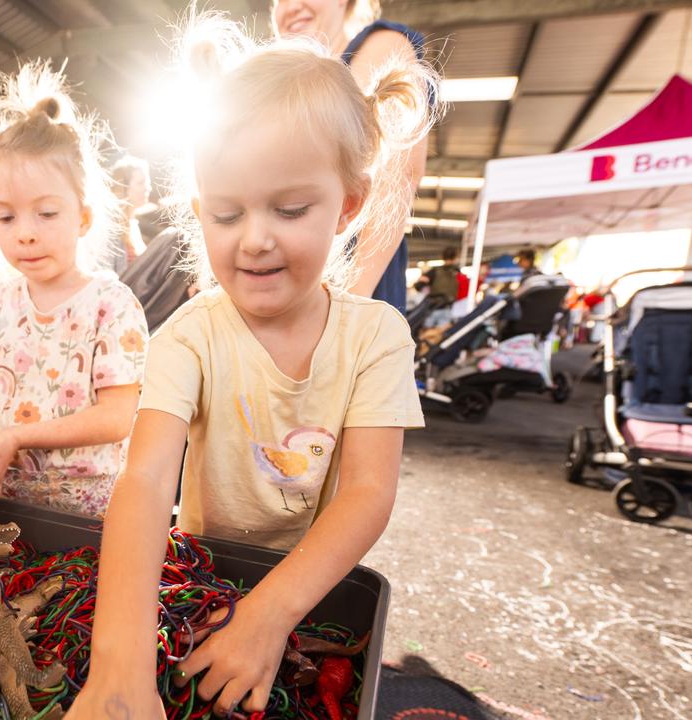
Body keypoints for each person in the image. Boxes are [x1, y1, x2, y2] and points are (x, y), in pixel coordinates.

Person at [68, 13, 432, 717]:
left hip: (316, 586)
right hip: (201, 571)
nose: (255, 240)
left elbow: (366, 492)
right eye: (227, 214)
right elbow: (143, 480)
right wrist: (119, 665)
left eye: (290, 208)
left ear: (348, 206)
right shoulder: (189, 336)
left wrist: (269, 617)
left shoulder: (377, 336)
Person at [0, 61, 149, 518]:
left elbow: (117, 419)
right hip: (2, 502)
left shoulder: (111, 305)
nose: (25, 234)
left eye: (47, 213)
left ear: (84, 217)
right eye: (7, 217)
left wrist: (17, 437)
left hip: (88, 514)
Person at [273, 0, 432, 313]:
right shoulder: (283, 92)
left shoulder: (379, 46)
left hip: (348, 285)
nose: (292, 6)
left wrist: (350, 303)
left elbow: (397, 176)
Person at [107, 155, 151, 275]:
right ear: (124, 187)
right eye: (141, 183)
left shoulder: (132, 224)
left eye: (147, 182)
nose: (148, 188)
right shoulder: (113, 227)